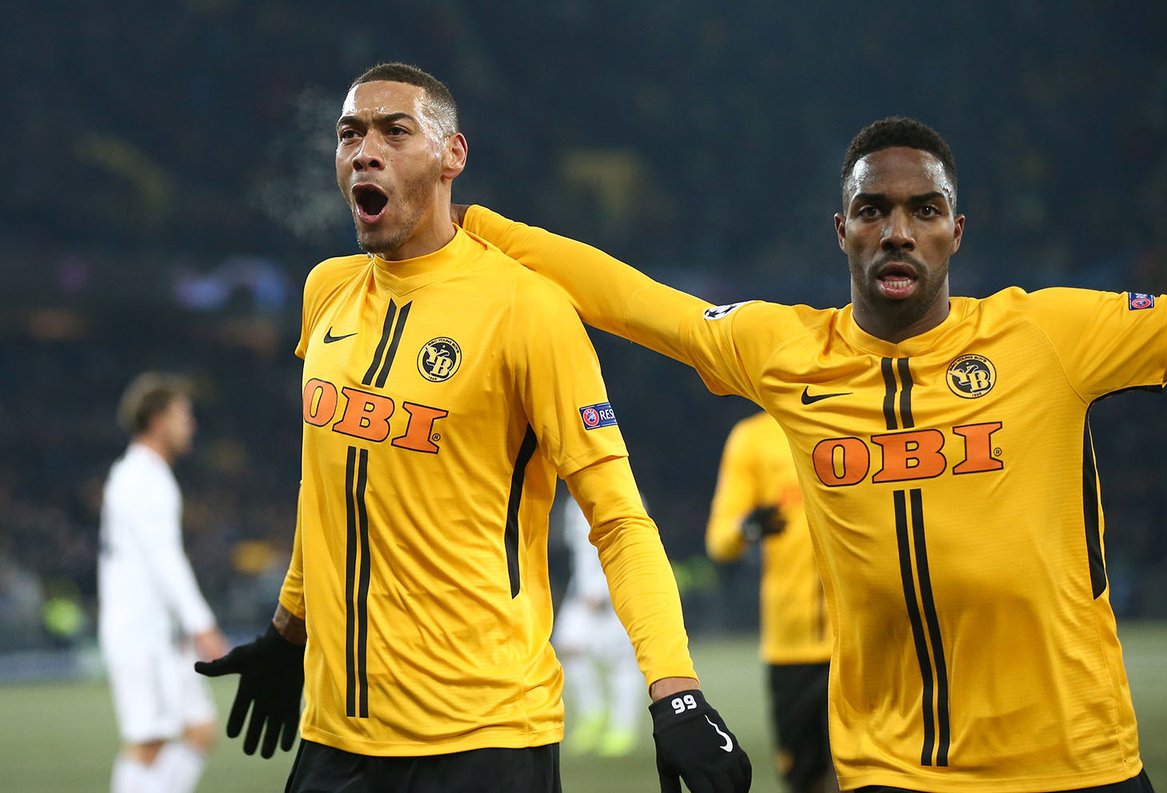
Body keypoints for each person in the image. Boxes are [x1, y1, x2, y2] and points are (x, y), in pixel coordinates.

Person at [454, 116, 1167, 791]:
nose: (898, 231)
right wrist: (473, 223)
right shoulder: (792, 353)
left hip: (1075, 761)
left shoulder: (1047, 336)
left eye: (925, 210)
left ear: (957, 231)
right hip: (892, 769)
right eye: (874, 210)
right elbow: (633, 300)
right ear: (842, 230)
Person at [195, 62, 751, 793]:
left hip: (484, 740)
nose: (366, 152)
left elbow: (618, 518)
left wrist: (674, 688)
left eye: (395, 131)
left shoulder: (526, 309)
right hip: (335, 739)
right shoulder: (326, 291)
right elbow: (325, 490)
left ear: (451, 154)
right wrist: (286, 630)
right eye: (350, 134)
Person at [98, 372, 230, 793]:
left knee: (200, 730)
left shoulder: (139, 474)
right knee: (149, 741)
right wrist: (202, 625)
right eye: (182, 416)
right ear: (157, 420)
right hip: (142, 632)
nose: (190, 425)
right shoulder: (144, 478)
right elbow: (164, 559)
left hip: (162, 633)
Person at [706, 411, 834, 793]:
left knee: (867, 774)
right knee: (804, 779)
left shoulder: (859, 417)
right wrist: (747, 526)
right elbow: (720, 541)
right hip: (790, 644)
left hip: (863, 643)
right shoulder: (754, 438)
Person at [553, 493, 645, 758]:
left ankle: (623, 727)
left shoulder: (621, 491)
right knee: (568, 647)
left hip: (615, 592)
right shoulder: (573, 502)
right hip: (581, 592)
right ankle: (593, 713)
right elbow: (581, 553)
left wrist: (602, 588)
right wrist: (582, 586)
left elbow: (629, 546)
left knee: (622, 660)